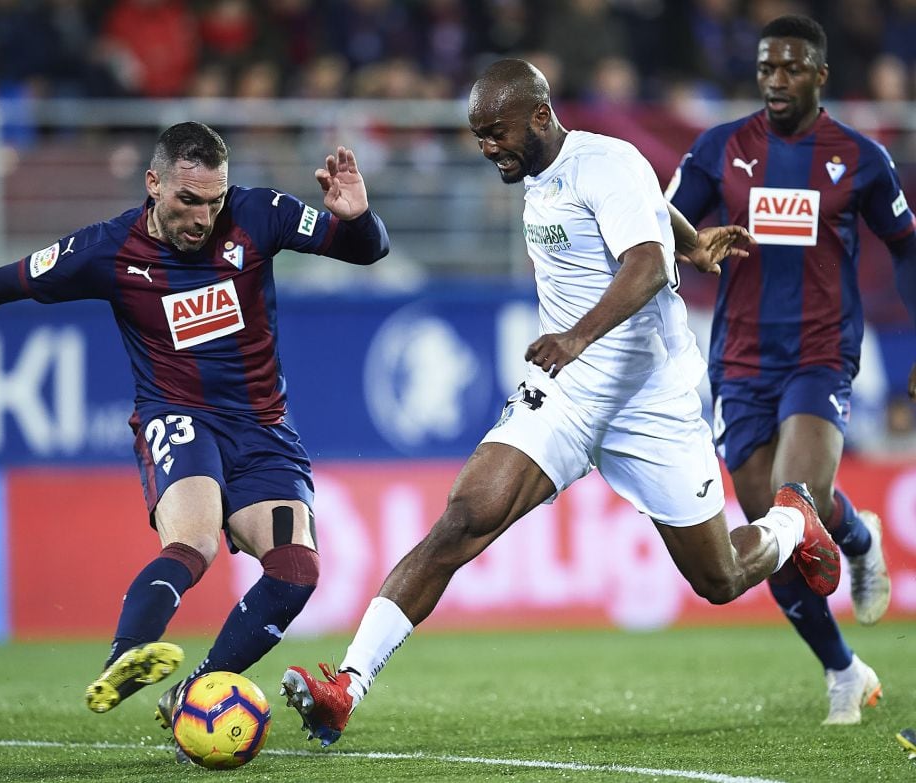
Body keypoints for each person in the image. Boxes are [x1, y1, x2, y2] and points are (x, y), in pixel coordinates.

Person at [280, 58, 841, 747]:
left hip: (647, 396)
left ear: (540, 117)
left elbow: (643, 263)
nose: (487, 147)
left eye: (496, 132)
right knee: (463, 518)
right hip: (567, 394)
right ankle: (347, 686)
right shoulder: (543, 168)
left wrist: (583, 331)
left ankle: (791, 522)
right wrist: (694, 244)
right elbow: (652, 217)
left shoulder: (605, 162)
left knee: (719, 576)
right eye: (478, 135)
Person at [0, 122, 390, 735]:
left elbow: (366, 249)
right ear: (154, 185)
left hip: (263, 427)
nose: (202, 217)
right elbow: (8, 281)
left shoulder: (260, 213)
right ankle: (126, 657)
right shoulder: (106, 250)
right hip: (178, 416)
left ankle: (192, 695)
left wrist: (358, 219)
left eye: (213, 201)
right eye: (187, 200)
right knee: (194, 542)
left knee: (296, 570)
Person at [667, 14, 916, 725]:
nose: (777, 81)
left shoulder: (860, 157)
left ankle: (857, 544)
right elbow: (660, 228)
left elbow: (906, 248)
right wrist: (693, 243)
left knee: (793, 497)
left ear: (820, 75)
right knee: (774, 539)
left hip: (820, 353)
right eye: (767, 68)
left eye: (792, 68)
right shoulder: (721, 149)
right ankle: (844, 667)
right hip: (740, 360)